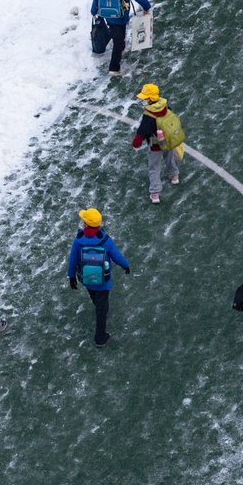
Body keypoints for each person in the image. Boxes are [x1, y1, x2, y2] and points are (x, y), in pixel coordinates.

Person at [66, 208, 131, 347]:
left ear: (85, 225)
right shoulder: (105, 241)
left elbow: (73, 259)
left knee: (96, 299)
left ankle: (100, 308)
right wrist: (126, 266)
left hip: (87, 280)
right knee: (101, 307)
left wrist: (71, 276)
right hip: (103, 282)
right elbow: (117, 257)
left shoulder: (78, 241)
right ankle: (100, 337)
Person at [90, 0, 153, 77]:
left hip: (106, 13)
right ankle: (114, 68)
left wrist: (93, 10)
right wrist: (147, 6)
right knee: (118, 41)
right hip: (120, 16)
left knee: (115, 31)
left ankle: (118, 41)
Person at [132, 83, 184, 204]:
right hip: (169, 140)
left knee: (154, 168)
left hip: (156, 145)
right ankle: (174, 175)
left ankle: (155, 193)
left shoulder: (149, 115)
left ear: (150, 99)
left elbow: (142, 131)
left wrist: (136, 143)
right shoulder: (165, 106)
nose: (143, 100)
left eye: (144, 98)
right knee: (169, 158)